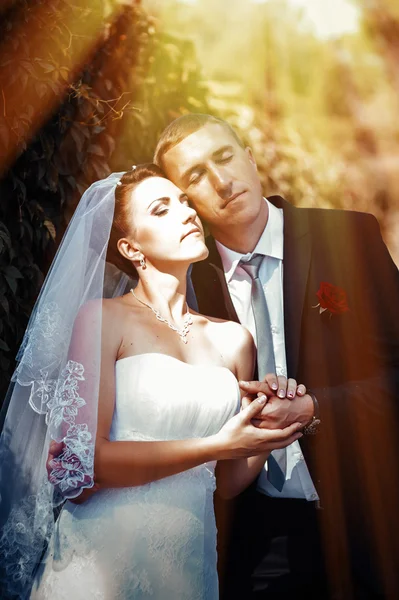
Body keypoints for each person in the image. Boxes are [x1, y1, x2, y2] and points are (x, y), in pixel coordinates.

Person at [0, 164, 307, 600]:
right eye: (162, 209)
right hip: (97, 565)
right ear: (131, 247)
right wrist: (218, 446)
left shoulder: (235, 339)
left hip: (187, 565)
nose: (187, 213)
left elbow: (228, 479)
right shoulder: (103, 320)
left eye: (185, 203)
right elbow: (83, 466)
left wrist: (271, 427)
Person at [153, 113, 399, 600]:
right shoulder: (183, 285)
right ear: (185, 199)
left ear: (248, 155)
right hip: (256, 542)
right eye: (196, 175)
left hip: (372, 521)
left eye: (224, 157)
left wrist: (316, 409)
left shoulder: (350, 237)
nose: (221, 182)